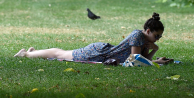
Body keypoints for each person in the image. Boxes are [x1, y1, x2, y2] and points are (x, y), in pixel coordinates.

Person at [14, 12, 174, 65]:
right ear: (148, 30)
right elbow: (134, 60)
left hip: (103, 51)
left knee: (62, 52)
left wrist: (154, 53)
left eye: (159, 36)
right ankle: (26, 54)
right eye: (156, 35)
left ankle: (35, 52)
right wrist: (155, 62)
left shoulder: (144, 40)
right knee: (60, 54)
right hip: (98, 53)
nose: (158, 38)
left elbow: (142, 61)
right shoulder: (138, 35)